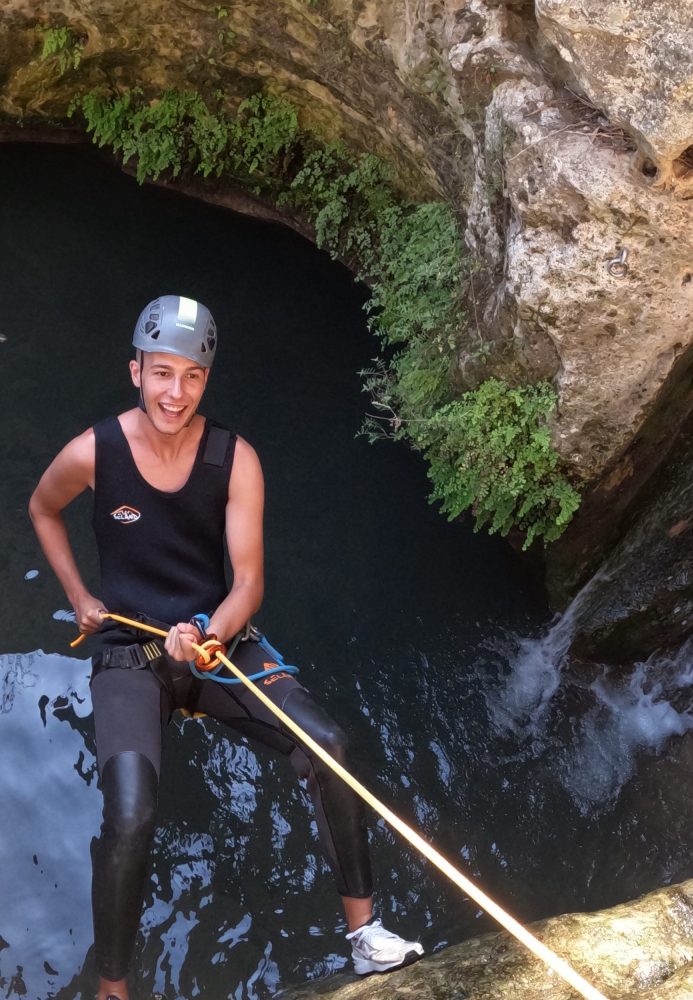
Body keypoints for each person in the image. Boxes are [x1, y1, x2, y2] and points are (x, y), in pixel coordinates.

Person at [28, 295, 424, 1000]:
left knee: (330, 747)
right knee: (130, 814)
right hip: (129, 650)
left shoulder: (233, 459)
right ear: (135, 371)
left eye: (191, 377)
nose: (174, 393)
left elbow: (248, 582)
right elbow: (42, 507)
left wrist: (210, 637)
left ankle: (364, 938)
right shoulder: (97, 452)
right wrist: (82, 598)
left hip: (217, 642)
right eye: (161, 373)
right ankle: (112, 989)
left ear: (206, 381)